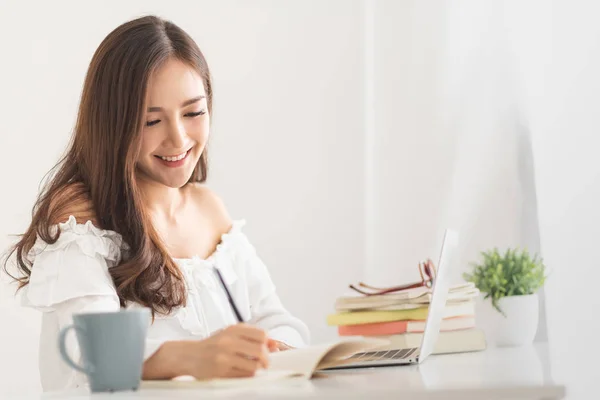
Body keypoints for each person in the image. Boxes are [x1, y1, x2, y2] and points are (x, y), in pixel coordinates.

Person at [2, 15, 309, 391]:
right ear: (113, 124)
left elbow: (275, 318)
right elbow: (92, 356)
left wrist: (276, 348)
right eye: (151, 122)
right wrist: (195, 357)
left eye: (193, 112)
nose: (178, 139)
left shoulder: (210, 210)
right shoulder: (81, 217)